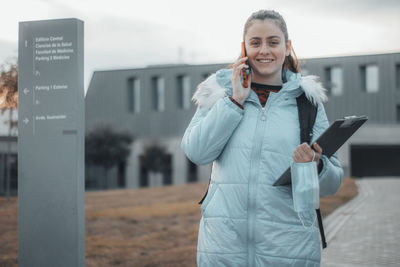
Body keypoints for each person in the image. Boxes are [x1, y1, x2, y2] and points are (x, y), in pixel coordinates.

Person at [181, 9, 343, 267]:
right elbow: (197, 152)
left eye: (273, 42)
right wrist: (235, 101)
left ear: (287, 47)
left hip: (289, 249)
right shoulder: (218, 93)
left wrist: (317, 165)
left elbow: (333, 183)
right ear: (244, 47)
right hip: (224, 248)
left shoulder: (308, 103)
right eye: (255, 42)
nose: (264, 50)